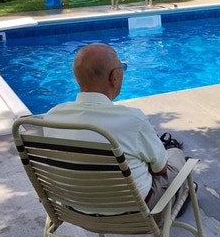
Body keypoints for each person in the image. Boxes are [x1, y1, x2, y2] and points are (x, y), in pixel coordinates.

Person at [43, 43, 190, 223]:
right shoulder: (132, 120)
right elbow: (160, 170)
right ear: (114, 76)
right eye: (123, 68)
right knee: (175, 155)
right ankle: (183, 194)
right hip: (137, 215)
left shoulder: (53, 117)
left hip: (75, 210)